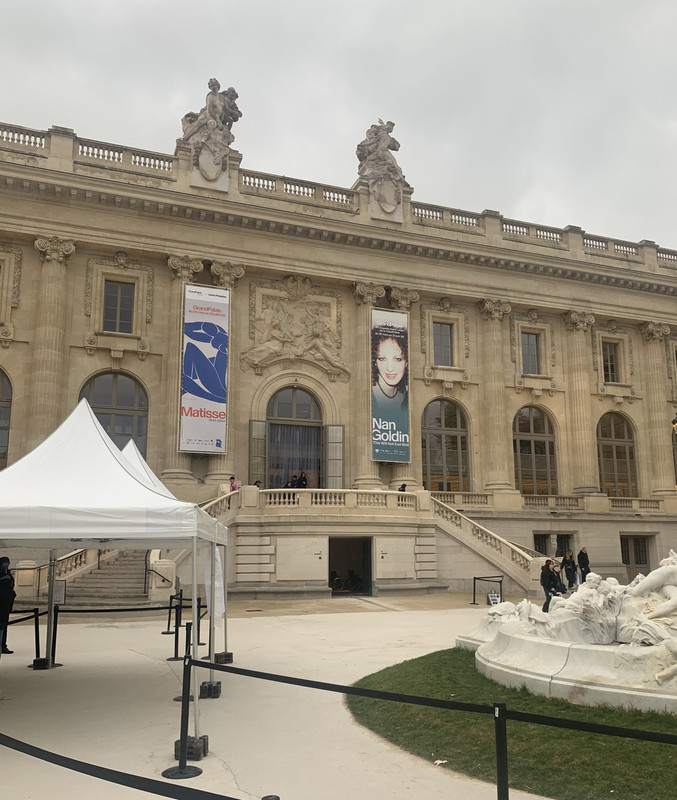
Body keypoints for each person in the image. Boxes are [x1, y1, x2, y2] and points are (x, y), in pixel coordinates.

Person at [371, 325, 409, 431]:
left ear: (406, 362)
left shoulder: (408, 395)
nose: (390, 368)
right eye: (382, 359)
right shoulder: (367, 393)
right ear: (375, 362)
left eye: (397, 359)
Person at [0, 556, 16, 655]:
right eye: (5, 563)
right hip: (1, 601)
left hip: (6, 603)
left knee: (4, 625)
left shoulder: (8, 573)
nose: (7, 564)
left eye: (8, 563)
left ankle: (3, 645)